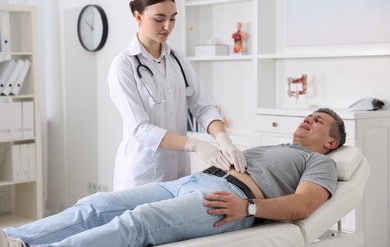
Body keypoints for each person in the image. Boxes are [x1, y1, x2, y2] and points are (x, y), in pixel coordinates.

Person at [1, 108, 346, 247]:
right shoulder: (277, 145)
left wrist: (248, 208)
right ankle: (14, 239)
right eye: (308, 115)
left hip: (226, 201)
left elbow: (303, 205)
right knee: (98, 203)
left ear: (331, 141)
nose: (307, 119)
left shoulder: (320, 163)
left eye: (318, 121)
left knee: (138, 222)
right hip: (190, 182)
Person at [107, 0, 246, 191]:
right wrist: (195, 144)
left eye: (173, 19)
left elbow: (203, 107)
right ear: (138, 16)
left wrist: (223, 139)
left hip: (178, 175)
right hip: (141, 176)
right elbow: (141, 129)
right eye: (159, 19)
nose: (167, 26)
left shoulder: (178, 60)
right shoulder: (123, 65)